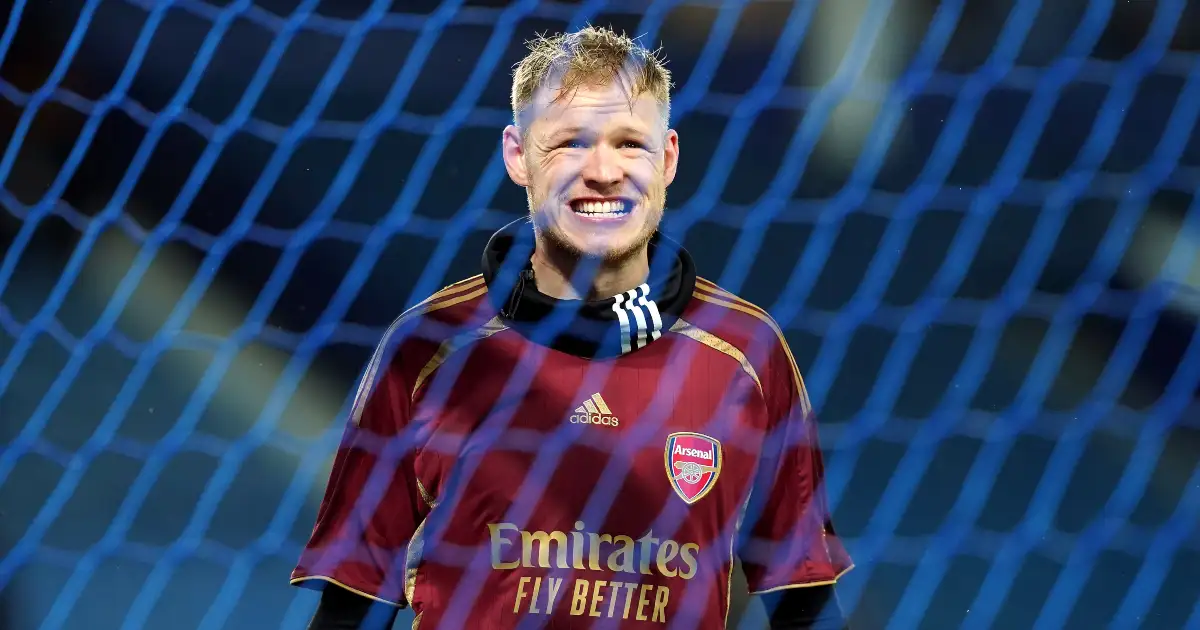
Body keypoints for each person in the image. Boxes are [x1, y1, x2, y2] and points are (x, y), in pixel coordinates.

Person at [291, 26, 853, 629]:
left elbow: (806, 605)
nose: (603, 171)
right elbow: (350, 611)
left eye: (629, 143)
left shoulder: (746, 353)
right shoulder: (428, 347)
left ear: (668, 158)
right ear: (518, 155)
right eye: (570, 143)